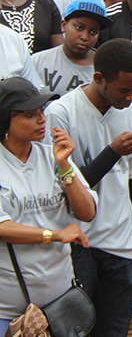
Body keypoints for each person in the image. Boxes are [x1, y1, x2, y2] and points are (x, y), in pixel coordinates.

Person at [44, 36, 132, 337]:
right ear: (99, 78)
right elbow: (66, 191)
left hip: (122, 243)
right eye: (124, 90)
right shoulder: (60, 113)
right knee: (77, 331)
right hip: (80, 245)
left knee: (115, 331)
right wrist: (112, 151)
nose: (131, 97)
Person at [0, 77, 98, 337]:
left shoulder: (51, 156)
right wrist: (54, 235)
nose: (42, 119)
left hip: (59, 309)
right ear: (5, 121)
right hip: (8, 315)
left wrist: (65, 167)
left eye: (42, 111)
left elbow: (87, 212)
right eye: (30, 115)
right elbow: (2, 227)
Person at [32, 0, 112, 95]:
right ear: (63, 25)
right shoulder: (38, 61)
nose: (84, 37)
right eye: (79, 28)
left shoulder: (105, 69)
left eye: (93, 32)